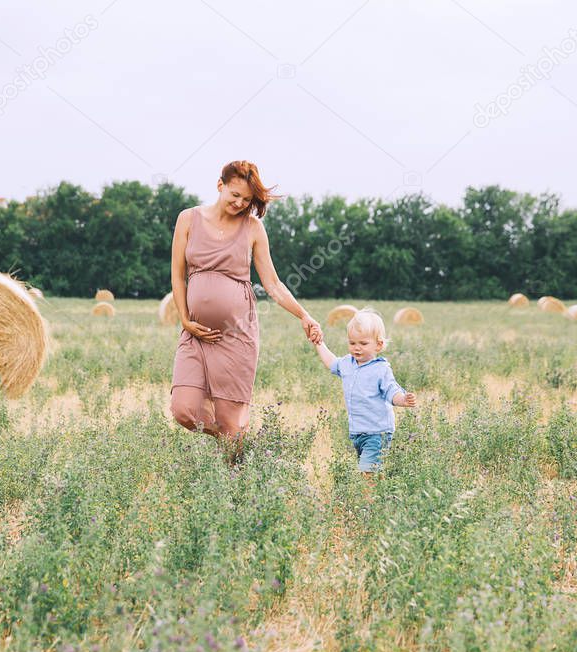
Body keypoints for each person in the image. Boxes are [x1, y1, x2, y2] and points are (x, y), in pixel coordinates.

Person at [170, 160, 323, 461]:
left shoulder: (253, 228)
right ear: (220, 185)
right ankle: (230, 437)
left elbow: (274, 284)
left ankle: (236, 474)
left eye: (247, 200)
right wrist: (185, 320)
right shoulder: (188, 219)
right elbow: (177, 274)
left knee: (231, 420)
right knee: (183, 409)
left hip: (237, 336)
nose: (240, 203)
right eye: (235, 195)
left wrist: (304, 315)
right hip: (197, 334)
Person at [312, 308, 417, 474]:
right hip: (357, 432)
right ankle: (380, 496)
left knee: (367, 473)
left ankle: (366, 500)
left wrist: (402, 399)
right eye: (352, 343)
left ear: (379, 345)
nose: (357, 348)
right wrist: (319, 343)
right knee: (372, 471)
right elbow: (331, 362)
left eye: (363, 343)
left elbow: (391, 390)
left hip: (377, 432)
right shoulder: (347, 363)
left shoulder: (380, 369)